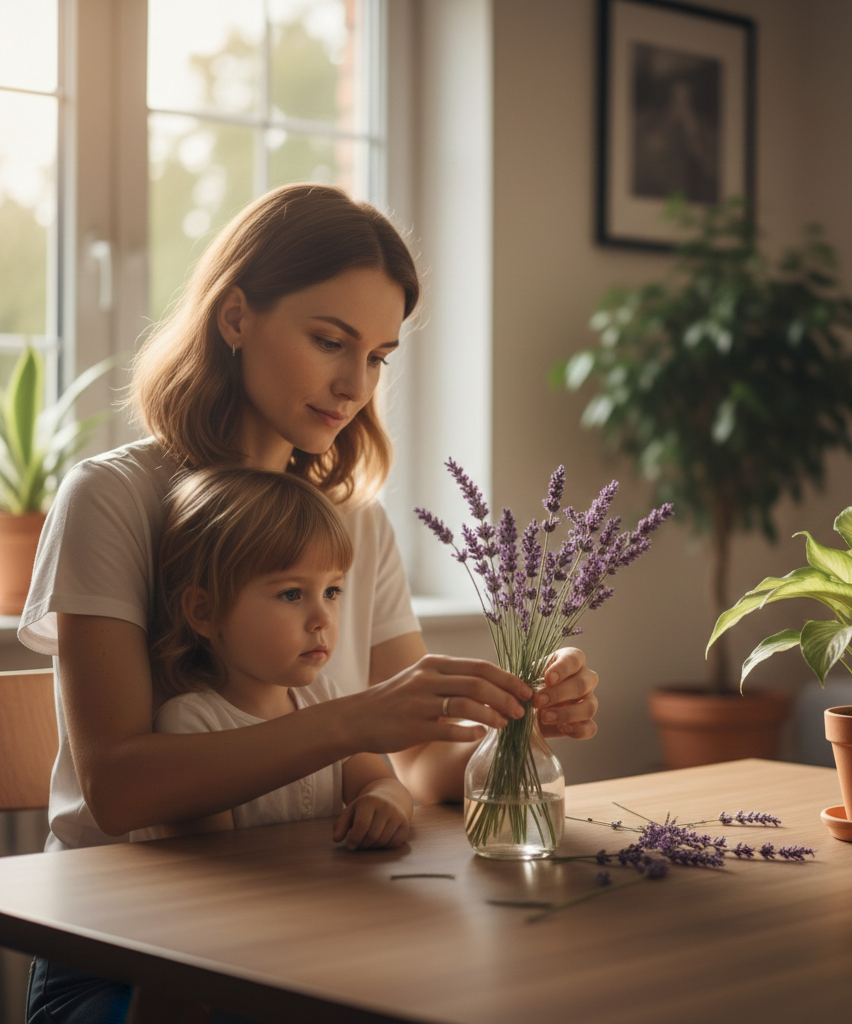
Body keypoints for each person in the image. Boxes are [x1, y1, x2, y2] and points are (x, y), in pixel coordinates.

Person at [20, 183, 598, 1021]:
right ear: (235, 318)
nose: (355, 383)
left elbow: (426, 769)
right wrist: (350, 721)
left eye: (377, 356)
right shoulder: (113, 497)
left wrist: (520, 712)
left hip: (308, 929)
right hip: (123, 956)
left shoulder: (353, 520)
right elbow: (118, 790)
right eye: (331, 341)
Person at [139, 465, 413, 848]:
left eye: (332, 591)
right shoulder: (192, 724)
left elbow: (383, 782)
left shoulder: (324, 698)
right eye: (291, 594)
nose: (323, 619)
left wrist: (384, 801)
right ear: (205, 611)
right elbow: (210, 861)